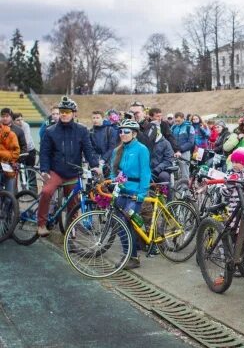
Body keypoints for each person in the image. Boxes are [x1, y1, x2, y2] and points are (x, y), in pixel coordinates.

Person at [38, 97, 99, 237]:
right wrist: (44, 170)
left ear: (74, 113)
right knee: (46, 192)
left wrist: (95, 166)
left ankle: (72, 226)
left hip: (73, 172)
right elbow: (45, 153)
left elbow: (88, 150)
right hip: (56, 171)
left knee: (73, 202)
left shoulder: (82, 130)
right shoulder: (50, 131)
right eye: (61, 111)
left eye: (67, 111)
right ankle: (41, 224)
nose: (64, 114)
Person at [110, 119, 151, 269]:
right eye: (120, 131)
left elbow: (145, 172)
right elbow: (112, 171)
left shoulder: (142, 149)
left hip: (135, 192)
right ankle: (129, 254)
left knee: (128, 222)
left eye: (126, 131)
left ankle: (132, 257)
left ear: (134, 134)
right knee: (119, 224)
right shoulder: (117, 150)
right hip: (121, 191)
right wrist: (111, 182)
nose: (122, 134)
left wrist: (142, 193)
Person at [13, 113, 37, 190]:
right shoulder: (13, 128)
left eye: (21, 119)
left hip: (30, 150)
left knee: (30, 170)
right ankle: (24, 189)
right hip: (20, 151)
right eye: (18, 120)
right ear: (13, 121)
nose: (20, 121)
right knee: (21, 170)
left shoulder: (25, 126)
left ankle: (33, 190)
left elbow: (26, 140)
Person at [171, 112, 195, 182]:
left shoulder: (189, 127)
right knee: (171, 172)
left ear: (183, 118)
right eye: (176, 121)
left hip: (184, 152)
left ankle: (185, 190)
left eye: (179, 121)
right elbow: (170, 139)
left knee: (185, 173)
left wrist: (180, 149)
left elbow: (191, 142)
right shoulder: (174, 127)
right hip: (174, 152)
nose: (177, 122)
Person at [0, 120, 20, 192]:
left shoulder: (11, 134)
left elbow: (16, 151)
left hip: (9, 165)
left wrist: (10, 159)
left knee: (10, 194)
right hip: (8, 163)